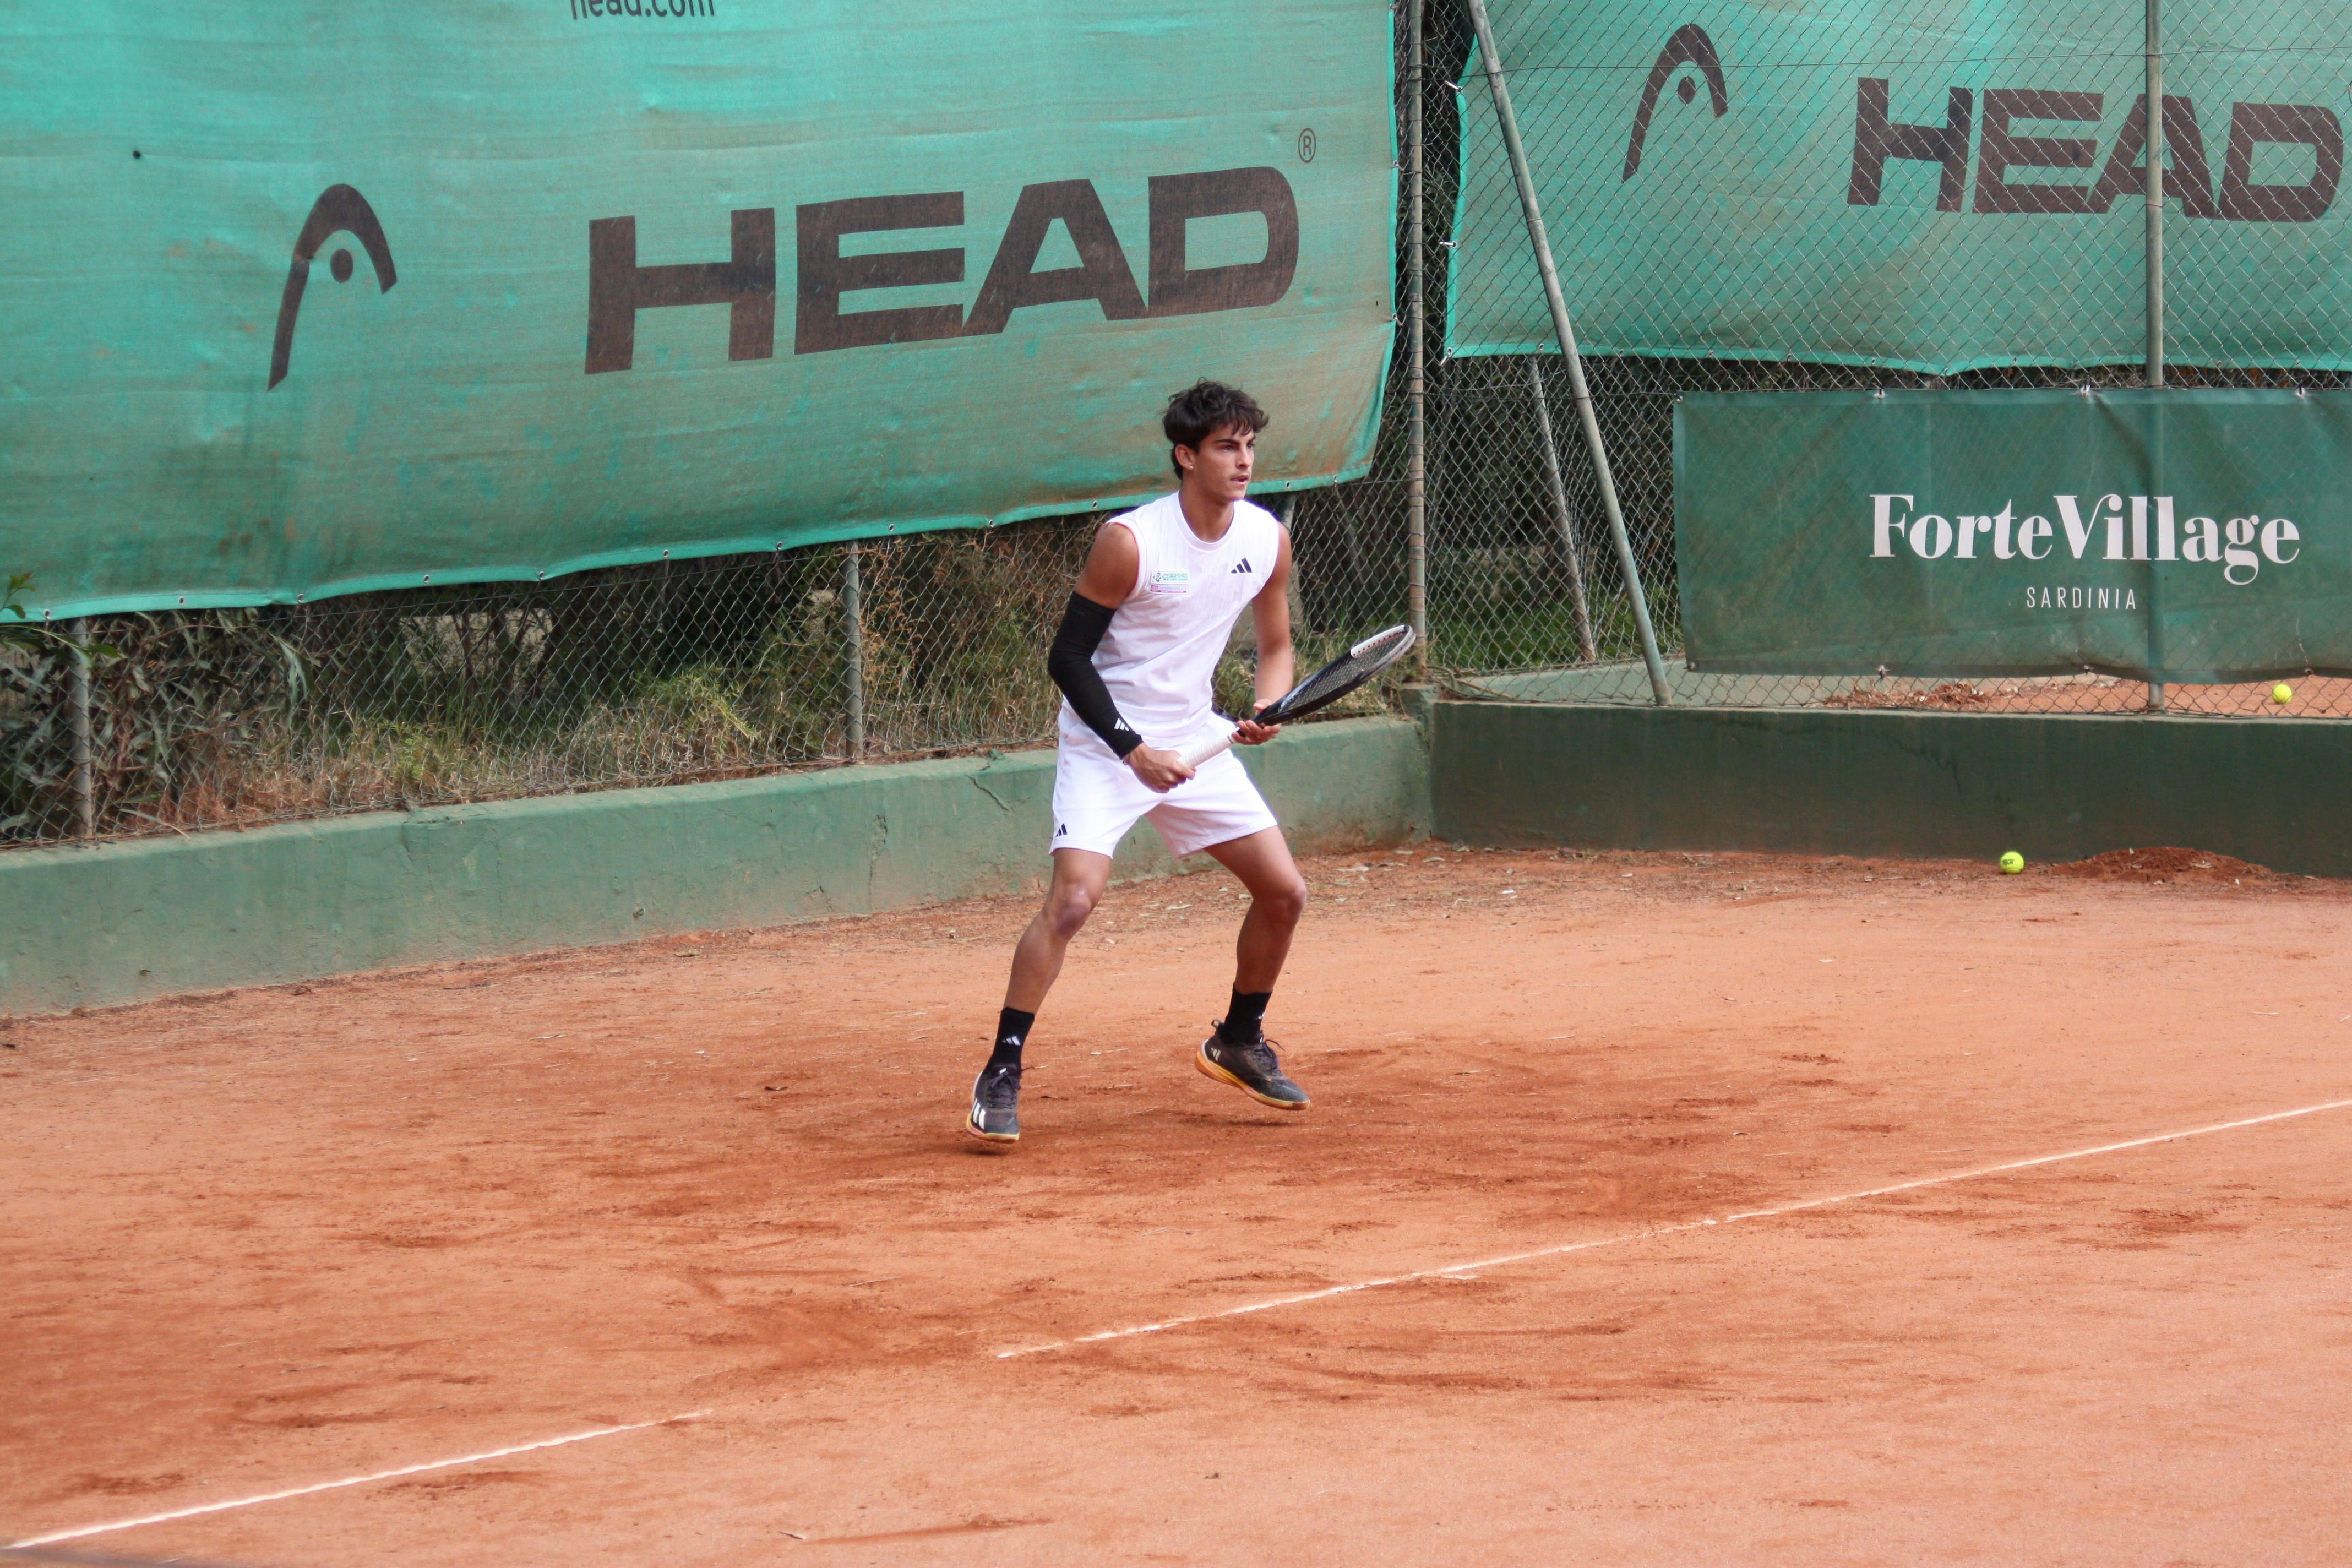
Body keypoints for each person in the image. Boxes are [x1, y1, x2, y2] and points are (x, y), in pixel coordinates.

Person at [965, 380, 1311, 1144]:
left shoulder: (1265, 538)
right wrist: (1132, 749)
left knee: (1284, 893)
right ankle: (1004, 1066)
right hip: (1106, 743)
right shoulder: (1132, 542)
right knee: (1074, 901)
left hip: (1195, 736)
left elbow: (1276, 645)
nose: (1244, 460)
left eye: (1250, 445)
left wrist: (1266, 708)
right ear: (1186, 457)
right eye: (1226, 446)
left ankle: (1239, 1040)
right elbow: (1067, 657)